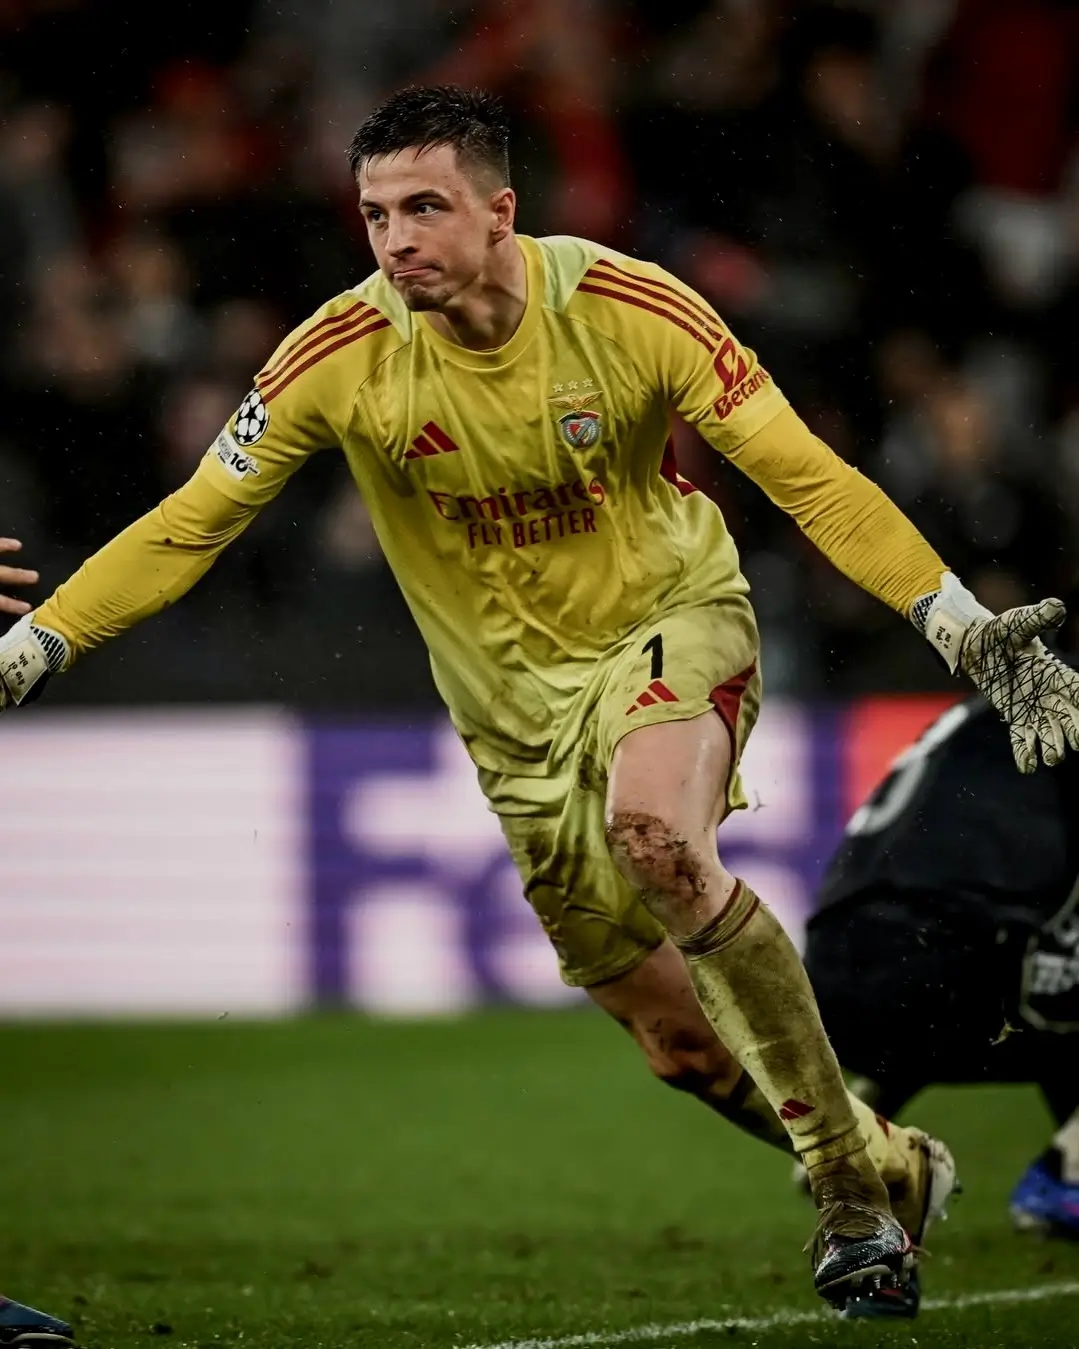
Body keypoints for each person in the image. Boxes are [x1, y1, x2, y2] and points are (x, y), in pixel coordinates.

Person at [2, 84, 1077, 1313]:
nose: (395, 239)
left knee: (657, 837)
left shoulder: (629, 309)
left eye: (424, 207)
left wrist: (958, 622)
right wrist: (40, 644)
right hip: (509, 720)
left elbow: (807, 479)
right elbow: (195, 522)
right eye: (372, 215)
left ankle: (844, 1194)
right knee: (674, 1043)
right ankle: (890, 1156)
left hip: (667, 621)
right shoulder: (337, 356)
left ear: (501, 211)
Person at [803, 689, 1079, 1240]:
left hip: (827, 972)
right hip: (945, 966)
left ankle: (853, 1131)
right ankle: (1066, 1178)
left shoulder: (997, 699)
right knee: (1038, 978)